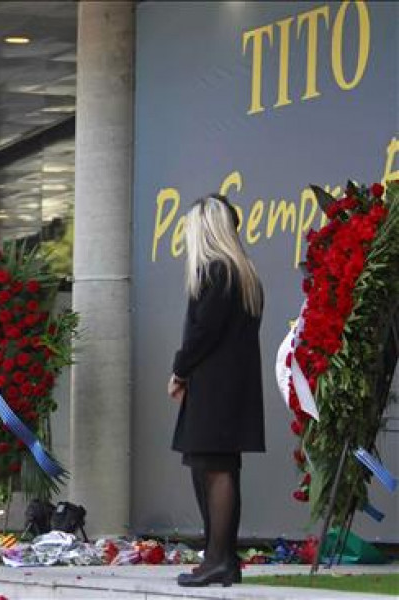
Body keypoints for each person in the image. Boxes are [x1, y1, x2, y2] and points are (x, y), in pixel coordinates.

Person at [167, 194, 264, 588]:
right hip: (229, 387)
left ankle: (219, 560)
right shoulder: (242, 273)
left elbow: (203, 332)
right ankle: (221, 558)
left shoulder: (217, 271)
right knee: (216, 468)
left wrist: (179, 370)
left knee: (216, 469)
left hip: (214, 387)